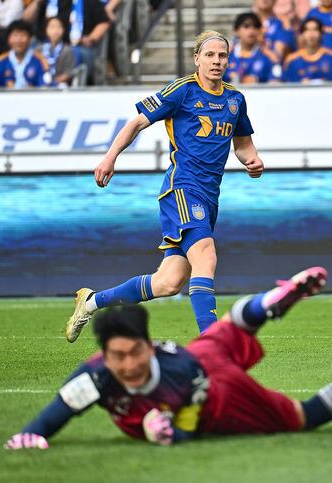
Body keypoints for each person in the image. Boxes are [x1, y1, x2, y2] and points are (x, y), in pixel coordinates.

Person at [5, 267, 332, 448]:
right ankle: (272, 301)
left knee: (303, 418)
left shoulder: (183, 376)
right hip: (200, 351)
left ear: (149, 346)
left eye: (135, 353)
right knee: (229, 327)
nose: (129, 364)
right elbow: (54, 415)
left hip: (216, 389)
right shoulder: (95, 376)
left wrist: (167, 433)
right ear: (103, 355)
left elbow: (191, 432)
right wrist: (29, 437)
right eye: (118, 357)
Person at [64, 30, 264, 343]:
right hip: (181, 188)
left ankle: (91, 302)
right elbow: (136, 122)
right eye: (209, 55)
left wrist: (252, 160)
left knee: (168, 282)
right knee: (206, 256)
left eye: (222, 55)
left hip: (209, 196)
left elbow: (243, 145)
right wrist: (110, 157)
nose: (216, 61)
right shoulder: (183, 90)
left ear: (228, 60)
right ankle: (213, 343)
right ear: (197, 59)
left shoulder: (235, 100)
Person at [22, 0, 111, 84]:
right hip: (45, 44)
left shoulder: (89, 1)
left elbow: (103, 21)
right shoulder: (45, 2)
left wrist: (92, 37)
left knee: (77, 53)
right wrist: (37, 2)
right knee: (32, 49)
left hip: (77, 46)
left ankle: (70, 83)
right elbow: (25, 20)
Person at [0, 20, 51, 88]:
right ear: (8, 39)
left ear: (30, 39)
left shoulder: (40, 61)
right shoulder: (0, 61)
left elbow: (45, 87)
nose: (18, 40)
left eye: (23, 35)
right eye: (15, 35)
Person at [283, 17, 332, 83]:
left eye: (315, 29)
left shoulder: (331, 57)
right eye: (307, 30)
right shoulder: (293, 59)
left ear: (321, 33)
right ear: (302, 34)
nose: (311, 34)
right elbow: (287, 84)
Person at [226, 12, 280, 84]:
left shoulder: (269, 57)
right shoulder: (226, 56)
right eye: (246, 26)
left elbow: (276, 84)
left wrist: (258, 83)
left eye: (256, 26)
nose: (251, 30)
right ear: (236, 31)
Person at [40, 16, 76, 86]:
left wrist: (53, 82)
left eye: (59, 27)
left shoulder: (68, 50)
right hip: (40, 84)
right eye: (52, 27)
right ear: (46, 29)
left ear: (64, 30)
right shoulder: (39, 49)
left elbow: (69, 72)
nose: (55, 30)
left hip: (59, 85)